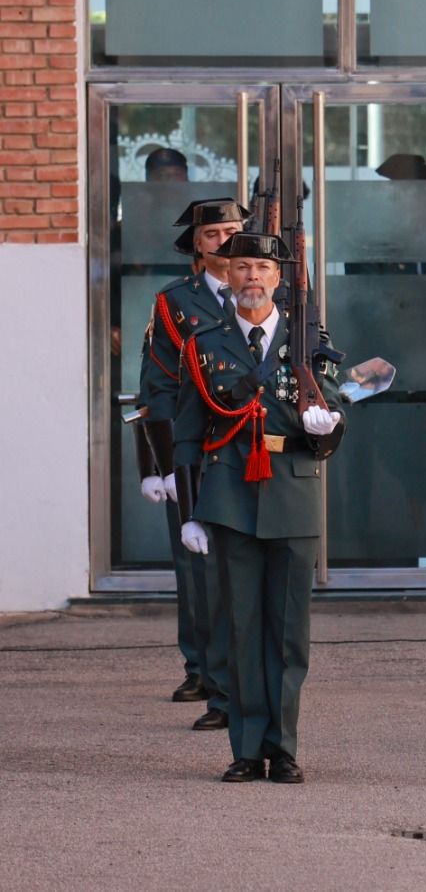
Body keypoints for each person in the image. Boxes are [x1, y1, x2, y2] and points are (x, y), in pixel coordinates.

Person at [173, 232, 348, 784]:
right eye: (241, 266)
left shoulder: (308, 342)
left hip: (293, 492)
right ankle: (246, 749)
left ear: (278, 279)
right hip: (229, 498)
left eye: (262, 268)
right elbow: (186, 433)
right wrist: (191, 514)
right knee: (242, 629)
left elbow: (335, 413)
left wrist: (327, 429)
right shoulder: (203, 344)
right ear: (225, 275)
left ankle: (285, 747)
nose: (251, 276)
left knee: (289, 632)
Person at [137, 198, 247, 726]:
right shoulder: (174, 303)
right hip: (193, 447)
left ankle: (237, 674)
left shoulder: (272, 296)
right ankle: (202, 665)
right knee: (194, 566)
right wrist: (159, 466)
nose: (226, 242)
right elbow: (156, 388)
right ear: (197, 246)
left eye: (234, 231)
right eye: (215, 234)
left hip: (249, 448)